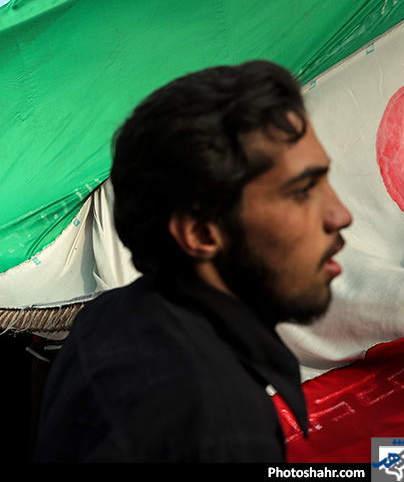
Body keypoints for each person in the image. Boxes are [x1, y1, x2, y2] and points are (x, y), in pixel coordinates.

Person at [35, 60, 353, 462]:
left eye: (326, 181)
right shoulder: (221, 425)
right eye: (303, 190)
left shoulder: (112, 313)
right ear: (202, 233)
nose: (341, 214)